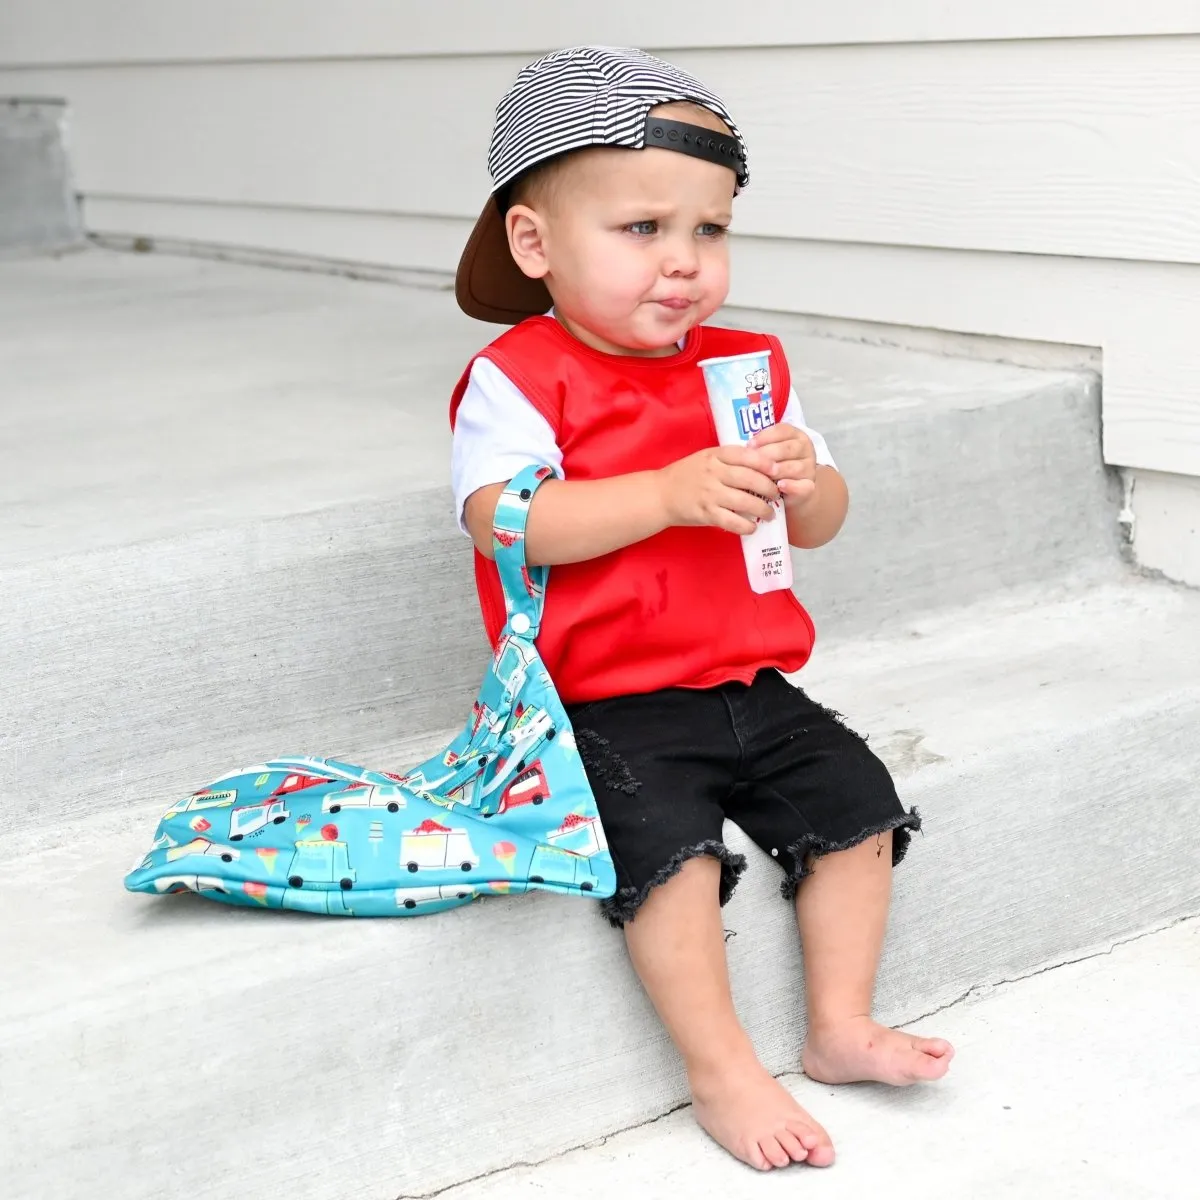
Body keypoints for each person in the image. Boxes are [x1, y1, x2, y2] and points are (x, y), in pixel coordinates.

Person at [449, 45, 953, 1172]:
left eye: (709, 232)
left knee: (860, 808)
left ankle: (839, 1024)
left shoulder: (745, 365)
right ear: (535, 242)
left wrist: (802, 480)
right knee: (670, 859)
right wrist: (668, 494)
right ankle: (721, 1066)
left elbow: (822, 520)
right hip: (610, 697)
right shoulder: (522, 378)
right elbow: (506, 520)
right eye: (642, 230)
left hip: (749, 679)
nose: (682, 264)